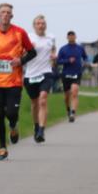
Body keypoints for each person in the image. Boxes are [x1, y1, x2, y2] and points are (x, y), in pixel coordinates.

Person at [0, 3, 36, 161]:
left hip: (14, 81)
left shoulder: (20, 33)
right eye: (2, 12)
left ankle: (13, 126)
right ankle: (2, 148)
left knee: (11, 113)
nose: (5, 15)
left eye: (8, 13)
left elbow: (32, 52)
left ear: (12, 16)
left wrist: (21, 60)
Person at [23, 15, 56, 143]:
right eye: (38, 23)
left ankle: (41, 130)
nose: (41, 25)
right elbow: (21, 54)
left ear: (45, 25)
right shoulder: (28, 37)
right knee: (34, 103)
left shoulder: (51, 38)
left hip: (46, 73)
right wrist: (28, 49)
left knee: (43, 100)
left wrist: (54, 56)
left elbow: (53, 50)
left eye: (42, 23)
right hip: (31, 74)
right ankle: (36, 126)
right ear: (34, 25)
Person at [56, 31, 88, 123]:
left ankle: (73, 113)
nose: (71, 37)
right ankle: (68, 110)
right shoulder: (63, 49)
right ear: (67, 37)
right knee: (66, 96)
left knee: (74, 92)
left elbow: (85, 57)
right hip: (66, 74)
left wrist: (85, 62)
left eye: (73, 35)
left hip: (77, 73)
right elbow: (58, 61)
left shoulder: (80, 48)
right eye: (69, 36)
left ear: (75, 37)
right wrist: (67, 61)